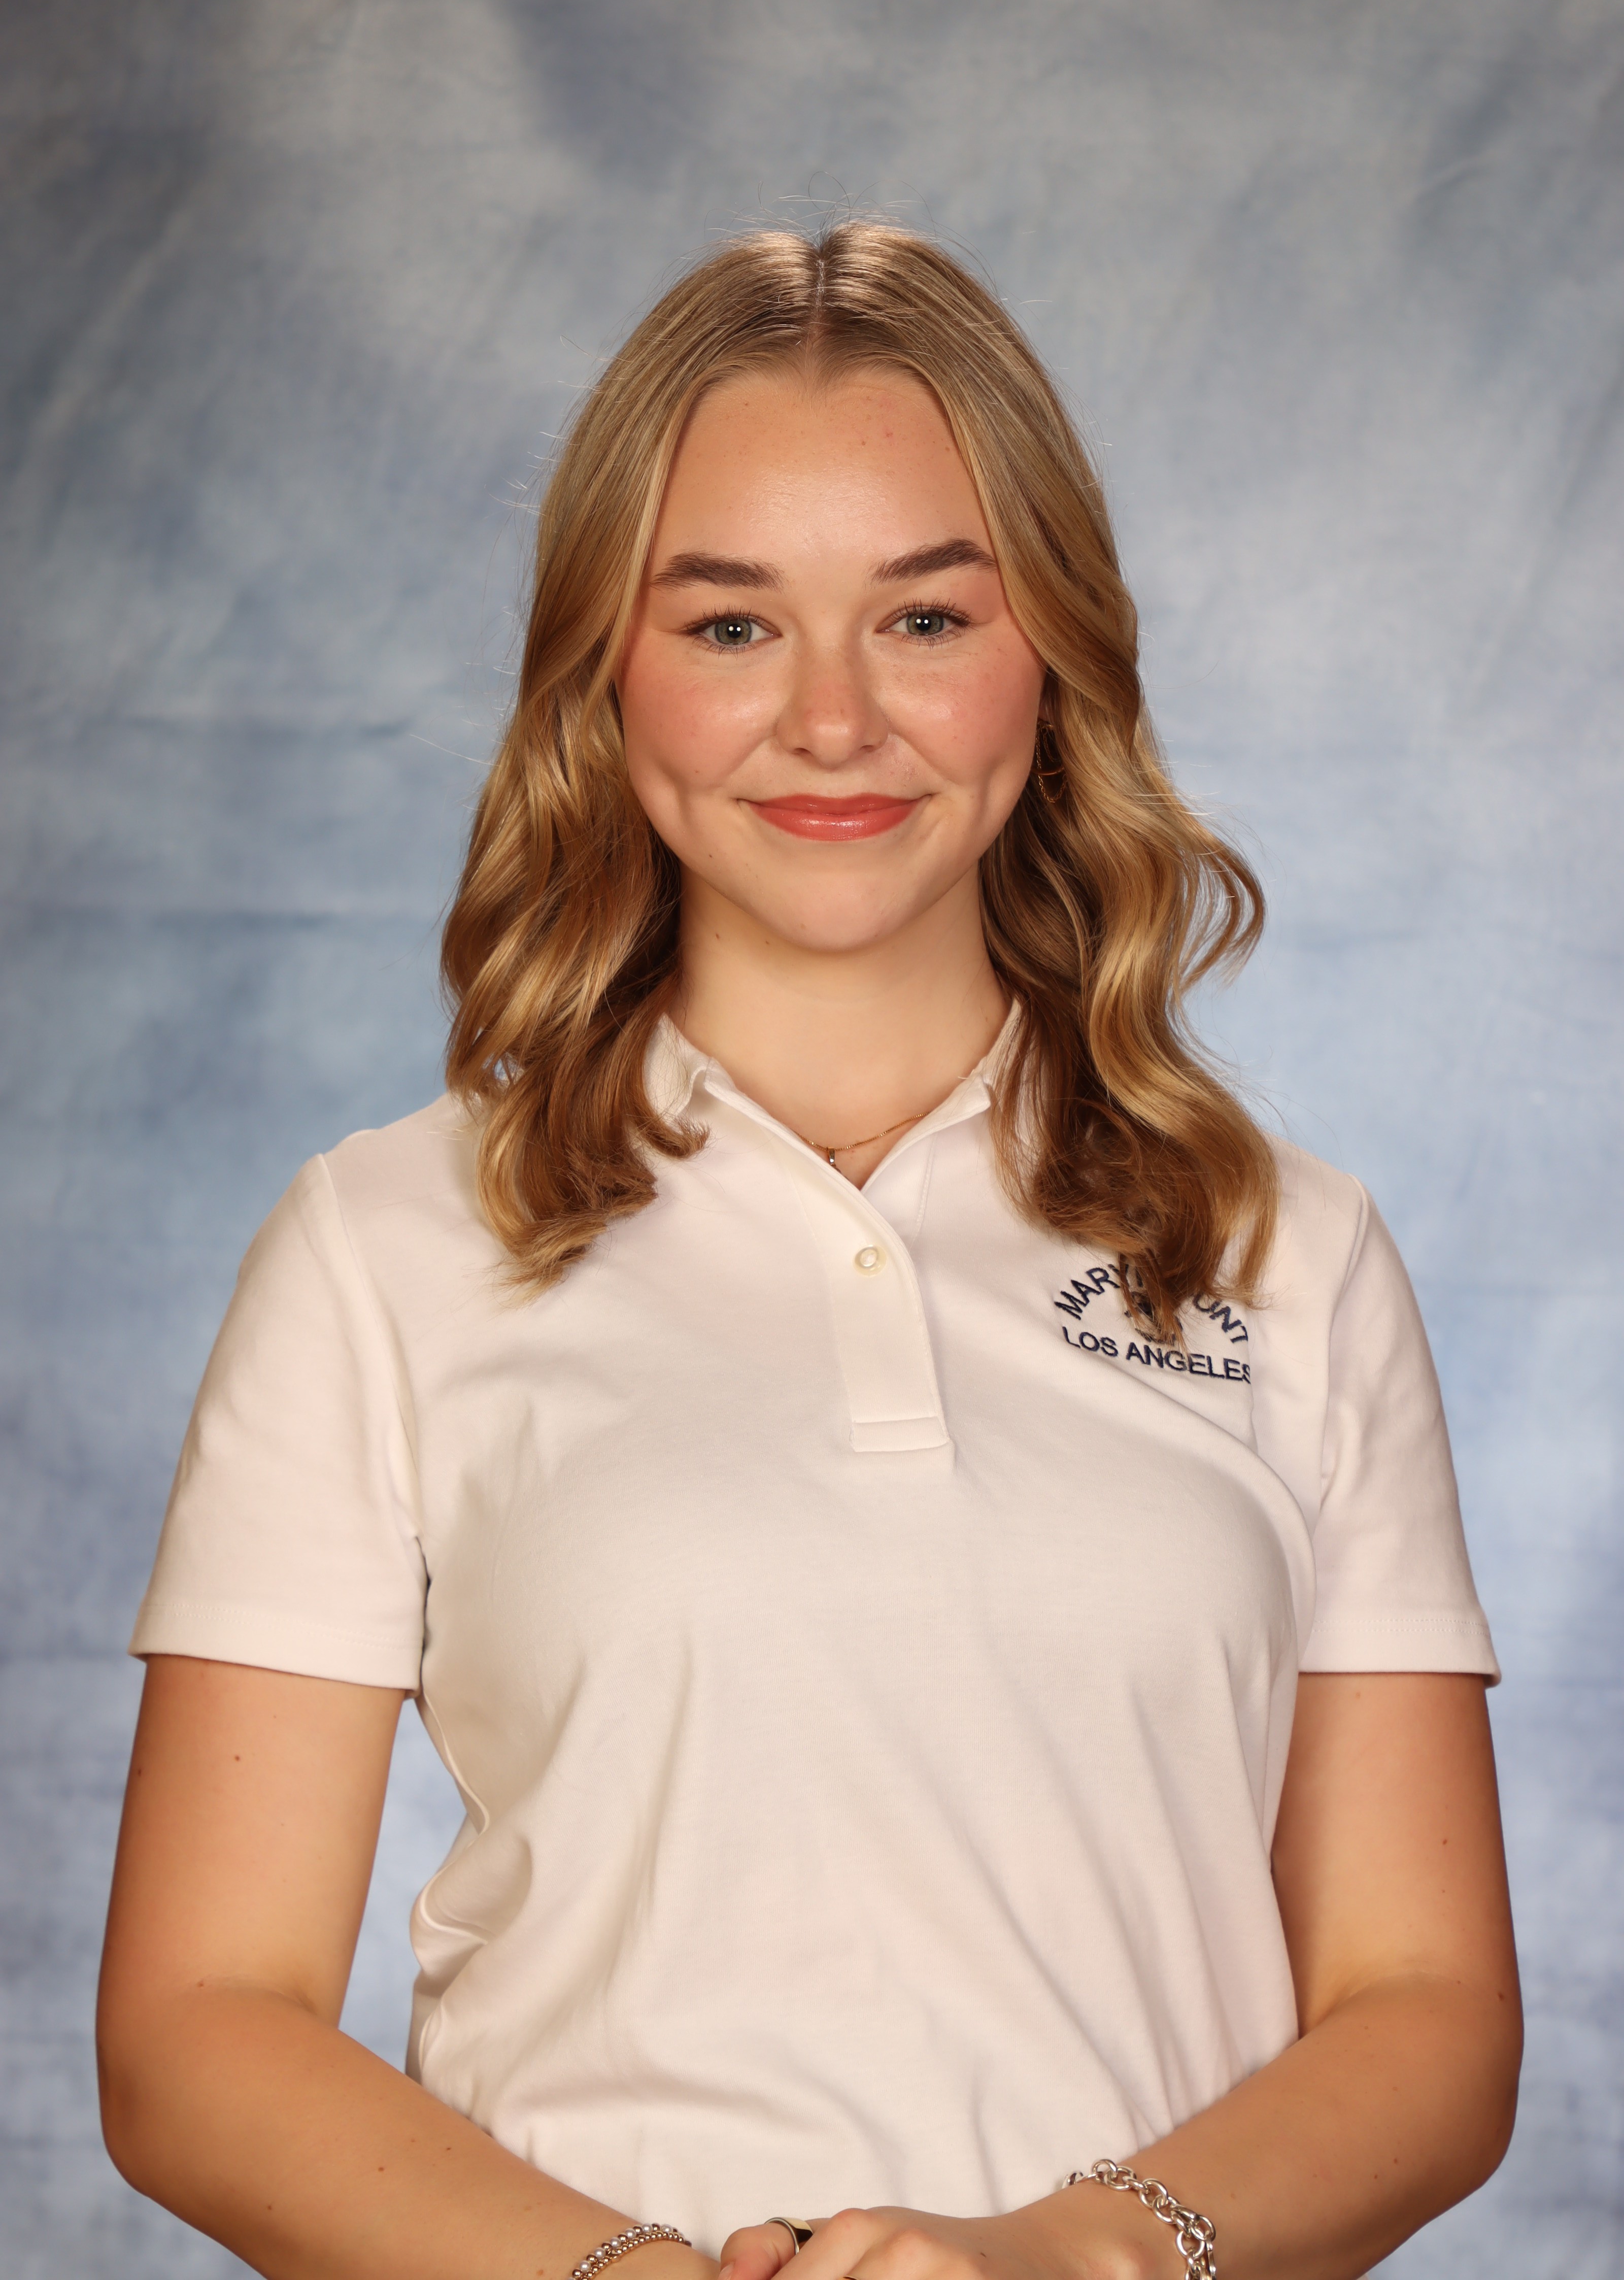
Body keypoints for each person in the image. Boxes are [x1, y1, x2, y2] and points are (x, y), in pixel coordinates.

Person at [97, 222, 1520, 2280]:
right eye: (732, 624)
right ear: (606, 672)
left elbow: (1428, 2016)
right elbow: (195, 2031)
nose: (834, 721)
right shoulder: (378, 1248)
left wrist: (1072, 2256)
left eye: (926, 616)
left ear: (1051, 654)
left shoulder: (1287, 1250)